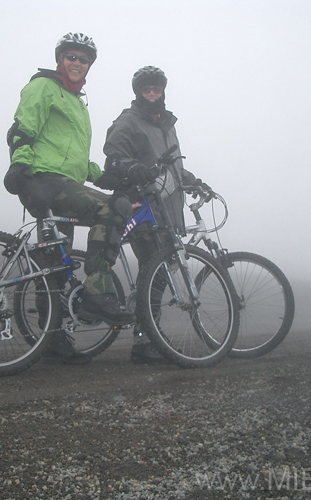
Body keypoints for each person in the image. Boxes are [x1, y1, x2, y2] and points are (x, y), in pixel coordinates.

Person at [4, 32, 135, 365]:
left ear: (89, 65)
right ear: (60, 59)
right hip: (46, 181)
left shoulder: (77, 103)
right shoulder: (43, 87)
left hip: (62, 182)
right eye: (71, 57)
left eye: (83, 59)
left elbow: (73, 158)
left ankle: (54, 343)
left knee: (54, 269)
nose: (77, 63)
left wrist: (105, 176)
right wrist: (18, 162)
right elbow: (22, 129)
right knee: (111, 209)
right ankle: (97, 292)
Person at [102, 66, 212, 364]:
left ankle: (147, 333)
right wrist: (132, 168)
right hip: (142, 206)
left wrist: (192, 180)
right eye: (146, 89)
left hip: (167, 209)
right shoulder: (129, 121)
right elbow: (113, 154)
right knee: (155, 271)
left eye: (156, 88)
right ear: (137, 92)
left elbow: (171, 166)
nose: (152, 93)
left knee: (159, 274)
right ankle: (144, 339)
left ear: (163, 90)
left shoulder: (166, 124)